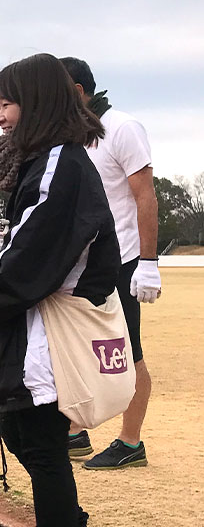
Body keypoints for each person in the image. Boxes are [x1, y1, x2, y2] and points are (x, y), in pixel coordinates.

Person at [0, 53, 118, 527]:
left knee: (38, 436)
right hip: (37, 317)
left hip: (50, 323)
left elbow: (31, 253)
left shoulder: (58, 165)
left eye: (6, 103)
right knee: (26, 431)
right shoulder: (51, 160)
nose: (0, 116)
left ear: (39, 102)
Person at [59, 57, 159, 470]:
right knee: (76, 348)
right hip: (84, 262)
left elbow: (145, 196)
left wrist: (148, 264)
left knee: (126, 351)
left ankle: (130, 442)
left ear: (78, 92)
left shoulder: (122, 128)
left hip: (123, 261)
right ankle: (74, 434)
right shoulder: (72, 136)